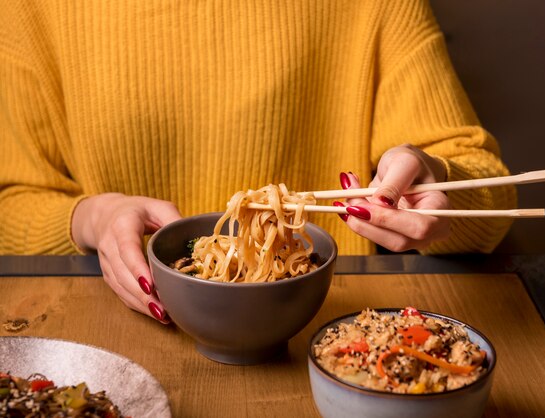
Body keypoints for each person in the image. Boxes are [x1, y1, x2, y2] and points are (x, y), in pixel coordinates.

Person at [0, 0, 516, 323]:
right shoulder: (33, 9)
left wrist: (438, 177)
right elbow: (12, 203)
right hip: (114, 333)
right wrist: (90, 218)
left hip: (337, 330)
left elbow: (487, 181)